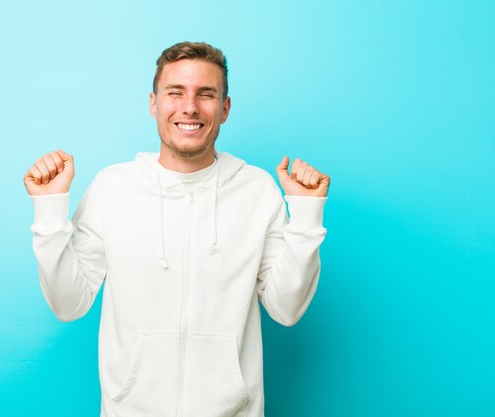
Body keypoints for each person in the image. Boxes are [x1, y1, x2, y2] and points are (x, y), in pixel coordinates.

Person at [23, 41, 330, 417]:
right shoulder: (112, 187)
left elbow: (287, 308)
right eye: (175, 93)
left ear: (225, 108)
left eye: (206, 94)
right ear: (154, 103)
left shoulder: (257, 190)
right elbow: (69, 304)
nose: (190, 107)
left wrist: (306, 214)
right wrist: (50, 210)